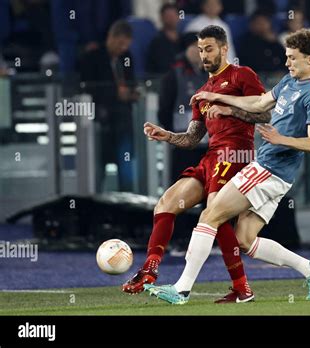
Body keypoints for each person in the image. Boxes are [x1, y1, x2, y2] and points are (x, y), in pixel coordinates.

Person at [144, 28, 310, 304]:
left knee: (210, 216)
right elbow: (258, 102)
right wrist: (223, 101)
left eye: (292, 58)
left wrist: (281, 138)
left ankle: (182, 289)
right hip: (274, 172)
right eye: (287, 57)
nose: (287, 63)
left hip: (269, 169)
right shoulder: (289, 83)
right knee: (244, 239)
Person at [123, 25, 271, 303]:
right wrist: (166, 135)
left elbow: (265, 113)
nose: (204, 55)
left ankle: (240, 288)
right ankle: (150, 269)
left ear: (224, 49)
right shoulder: (203, 91)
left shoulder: (242, 75)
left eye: (209, 49)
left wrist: (230, 108)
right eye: (200, 49)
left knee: (216, 213)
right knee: (166, 202)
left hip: (235, 154)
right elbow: (192, 138)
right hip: (211, 156)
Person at [79, 20, 138, 192]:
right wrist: (115, 94)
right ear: (110, 37)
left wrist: (132, 93)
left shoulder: (127, 58)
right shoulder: (92, 57)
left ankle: (128, 204)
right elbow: (87, 88)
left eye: (126, 45)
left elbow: (131, 82)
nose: (122, 48)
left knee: (126, 166)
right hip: (100, 122)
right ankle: (94, 203)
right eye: (120, 43)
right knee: (98, 168)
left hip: (124, 121)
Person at [157, 32, 208, 181]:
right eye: (196, 47)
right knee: (182, 187)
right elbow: (164, 111)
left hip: (208, 144)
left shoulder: (209, 73)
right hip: (183, 145)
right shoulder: (174, 75)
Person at [146, 3, 181, 75]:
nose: (172, 19)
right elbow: (161, 67)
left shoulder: (183, 39)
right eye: (168, 16)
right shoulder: (157, 42)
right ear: (161, 18)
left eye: (173, 16)